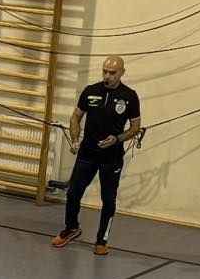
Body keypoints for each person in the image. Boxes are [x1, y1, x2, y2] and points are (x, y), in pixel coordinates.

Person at [53, 55, 142, 256]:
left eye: (112, 73)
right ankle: (71, 228)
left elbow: (135, 127)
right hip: (87, 154)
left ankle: (102, 240)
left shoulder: (129, 96)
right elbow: (75, 117)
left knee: (108, 200)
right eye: (105, 71)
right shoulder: (91, 91)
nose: (107, 76)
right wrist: (75, 139)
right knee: (73, 193)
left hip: (111, 158)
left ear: (122, 73)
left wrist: (117, 139)